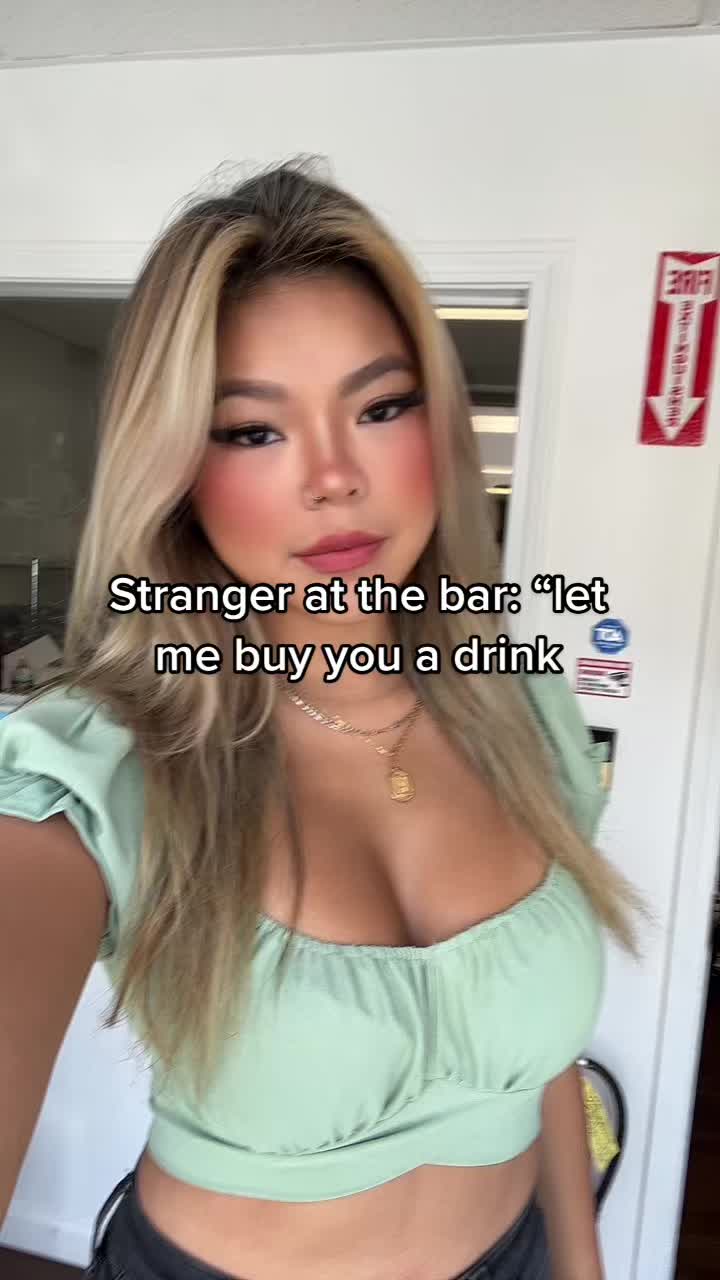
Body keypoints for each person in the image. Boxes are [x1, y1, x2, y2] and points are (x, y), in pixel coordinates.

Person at [0, 156, 648, 1280]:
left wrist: (582, 1264)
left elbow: (535, 1057)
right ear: (174, 466)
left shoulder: (525, 710)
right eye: (253, 430)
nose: (336, 477)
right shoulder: (94, 771)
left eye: (382, 407)